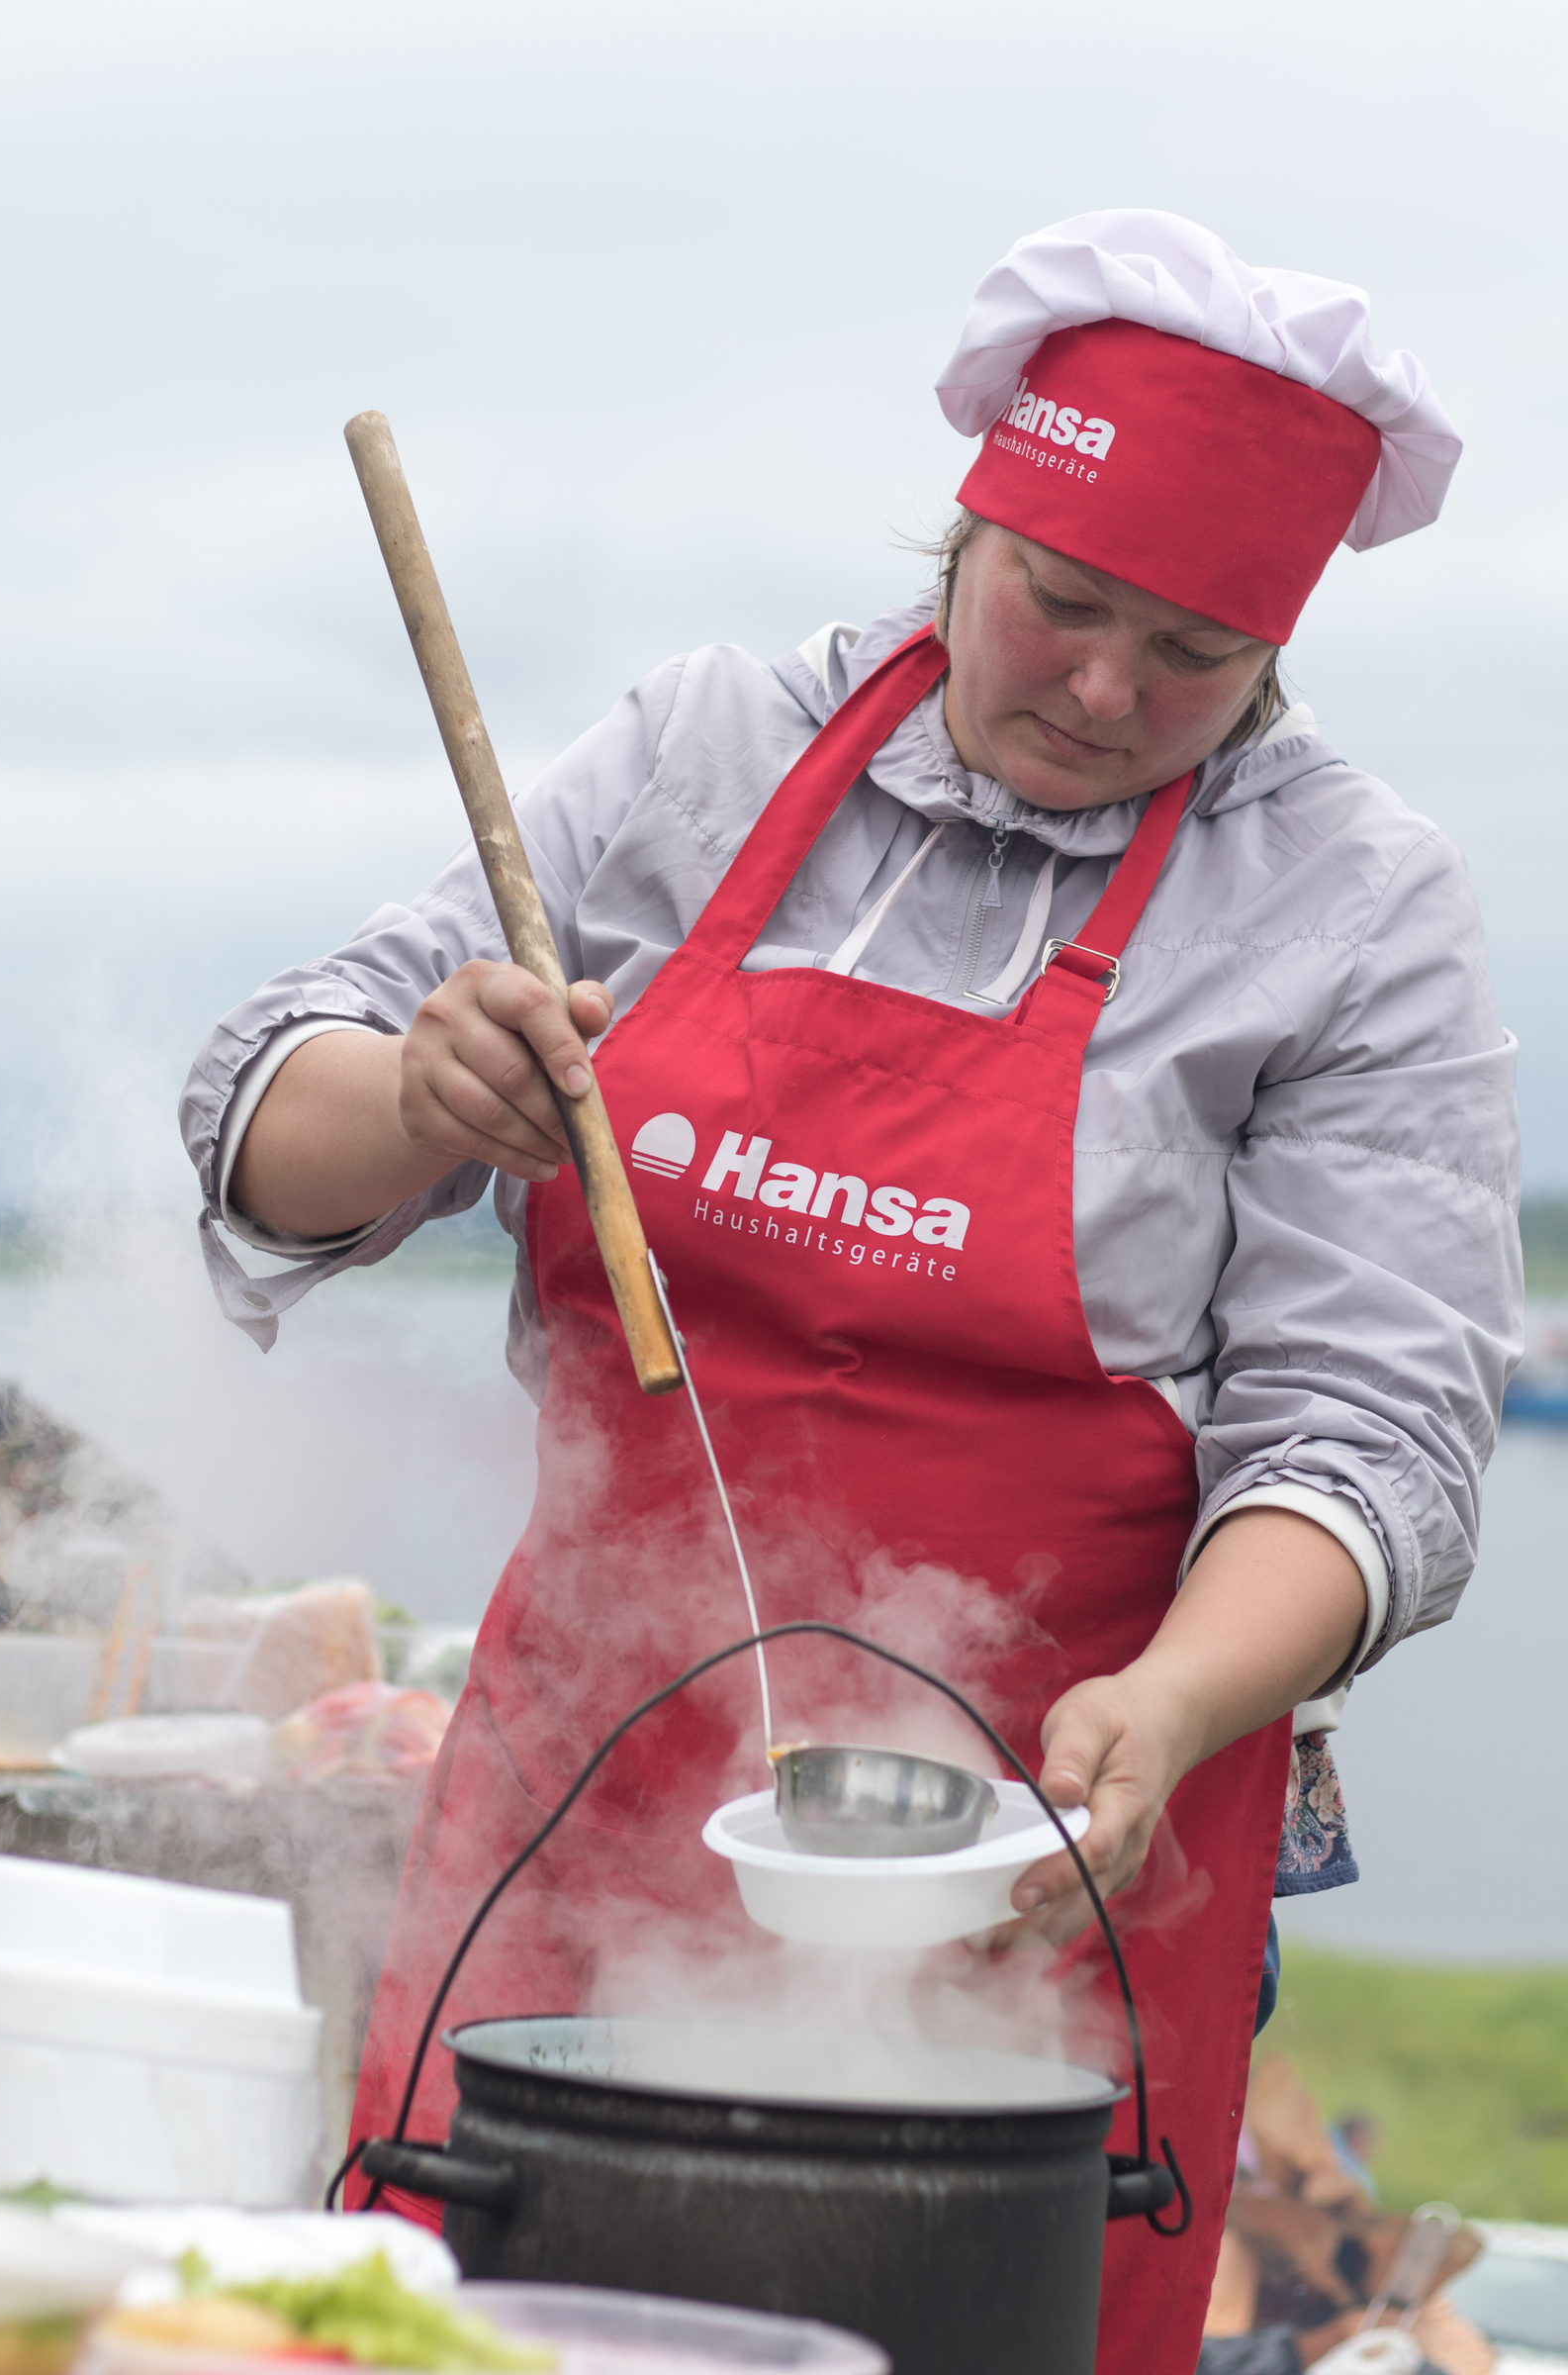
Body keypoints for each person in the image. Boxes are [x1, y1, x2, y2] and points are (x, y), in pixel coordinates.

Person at [181, 211, 1522, 2371]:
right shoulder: (711, 754)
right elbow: (263, 1113)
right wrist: (425, 1090)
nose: (1098, 688)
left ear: (1273, 658)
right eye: (1055, 603)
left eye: (1183, 654)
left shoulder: (1352, 912)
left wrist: (1174, 1705)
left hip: (1042, 1861)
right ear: (965, 523)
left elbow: (1369, 1432)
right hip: (574, 1816)